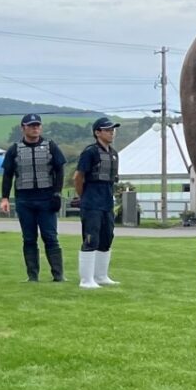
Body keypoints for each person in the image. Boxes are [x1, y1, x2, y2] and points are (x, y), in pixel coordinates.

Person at [0, 114, 67, 283]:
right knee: (29, 238)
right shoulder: (14, 149)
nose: (35, 128)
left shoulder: (51, 146)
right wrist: (5, 198)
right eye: (31, 126)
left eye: (37, 125)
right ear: (23, 128)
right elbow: (7, 175)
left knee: (50, 237)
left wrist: (57, 193)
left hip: (46, 199)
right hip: (24, 200)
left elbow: (60, 170)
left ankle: (58, 275)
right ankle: (32, 276)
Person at [74, 117, 122, 289]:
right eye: (108, 130)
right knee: (90, 238)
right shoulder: (90, 152)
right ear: (97, 133)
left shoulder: (114, 154)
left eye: (113, 129)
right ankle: (86, 280)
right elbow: (78, 177)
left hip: (107, 202)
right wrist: (84, 196)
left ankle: (101, 276)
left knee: (107, 237)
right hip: (92, 202)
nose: (111, 132)